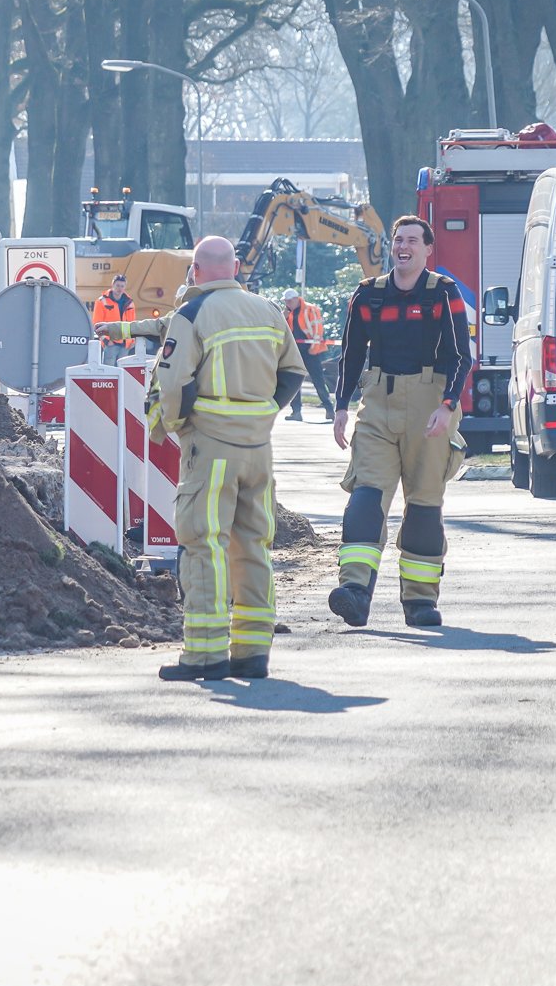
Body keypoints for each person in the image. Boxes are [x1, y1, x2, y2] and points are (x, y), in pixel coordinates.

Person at [143, 235, 306, 681]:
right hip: (260, 448)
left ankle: (205, 655)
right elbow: (293, 372)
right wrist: (265, 411)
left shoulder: (191, 314)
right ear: (234, 268)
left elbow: (174, 384)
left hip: (210, 447)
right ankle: (252, 653)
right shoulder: (269, 310)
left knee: (203, 543)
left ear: (196, 271)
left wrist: (175, 425)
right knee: (253, 544)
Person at [328, 216, 470, 631]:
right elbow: (351, 353)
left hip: (431, 404)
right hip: (378, 404)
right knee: (365, 497)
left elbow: (462, 355)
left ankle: (421, 601)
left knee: (424, 505)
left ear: (428, 249)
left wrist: (447, 407)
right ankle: (354, 591)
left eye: (412, 240)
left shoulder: (443, 293)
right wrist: (340, 406)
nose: (402, 246)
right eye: (397, 240)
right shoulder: (367, 295)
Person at [281, 288, 334, 420]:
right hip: (295, 351)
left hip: (310, 350)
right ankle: (296, 412)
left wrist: (314, 347)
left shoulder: (310, 309)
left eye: (288, 301)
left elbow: (317, 329)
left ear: (295, 299)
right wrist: (284, 316)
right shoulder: (287, 312)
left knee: (318, 380)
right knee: (294, 380)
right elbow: (282, 328)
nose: (287, 304)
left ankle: (329, 409)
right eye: (285, 301)